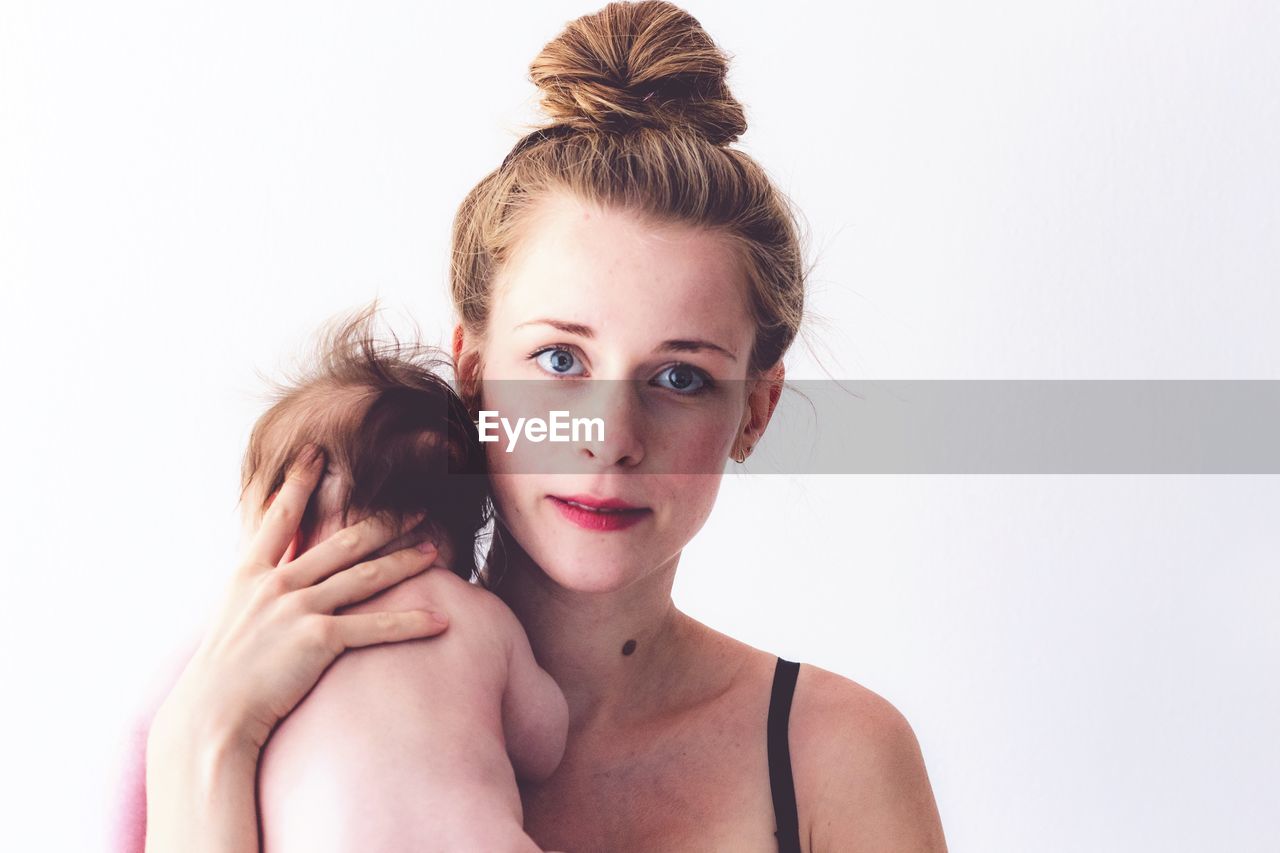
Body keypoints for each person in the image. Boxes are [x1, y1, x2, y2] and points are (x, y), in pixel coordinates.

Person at [143, 2, 949, 851]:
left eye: (680, 376)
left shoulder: (836, 758)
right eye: (561, 360)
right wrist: (199, 737)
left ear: (755, 409)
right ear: (471, 368)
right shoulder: (254, 705)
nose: (611, 438)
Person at [128, 306, 570, 853]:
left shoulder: (222, 651)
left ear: (280, 518)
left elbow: (134, 792)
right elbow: (544, 744)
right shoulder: (474, 614)